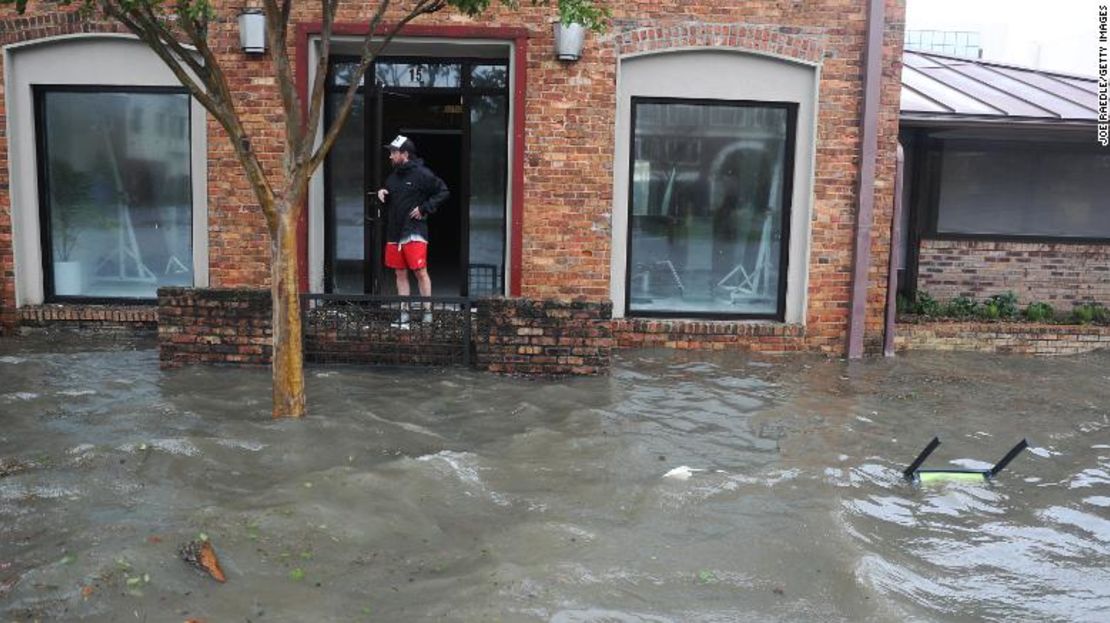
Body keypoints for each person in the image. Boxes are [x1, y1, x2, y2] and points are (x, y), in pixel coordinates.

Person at [376, 135, 449, 326]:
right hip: (394, 233)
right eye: (390, 152)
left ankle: (427, 312)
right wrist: (383, 193)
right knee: (399, 274)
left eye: (393, 152)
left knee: (420, 271)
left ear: (405, 154)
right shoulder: (392, 177)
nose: (390, 156)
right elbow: (392, 201)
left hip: (414, 231)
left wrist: (424, 208)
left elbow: (443, 191)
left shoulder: (422, 174)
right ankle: (404, 314)